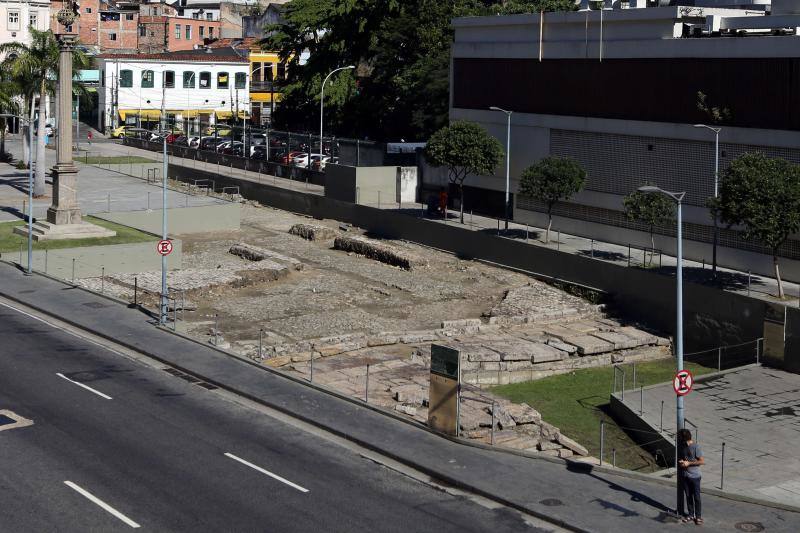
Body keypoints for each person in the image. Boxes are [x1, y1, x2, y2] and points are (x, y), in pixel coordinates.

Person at [677, 428, 704, 525]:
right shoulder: (683, 446)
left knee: (696, 497)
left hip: (695, 476)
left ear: (684, 438)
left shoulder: (696, 447)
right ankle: (691, 514)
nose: (678, 439)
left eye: (679, 437)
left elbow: (701, 461)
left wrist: (689, 463)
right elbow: (683, 458)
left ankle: (699, 516)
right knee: (688, 496)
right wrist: (682, 462)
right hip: (685, 476)